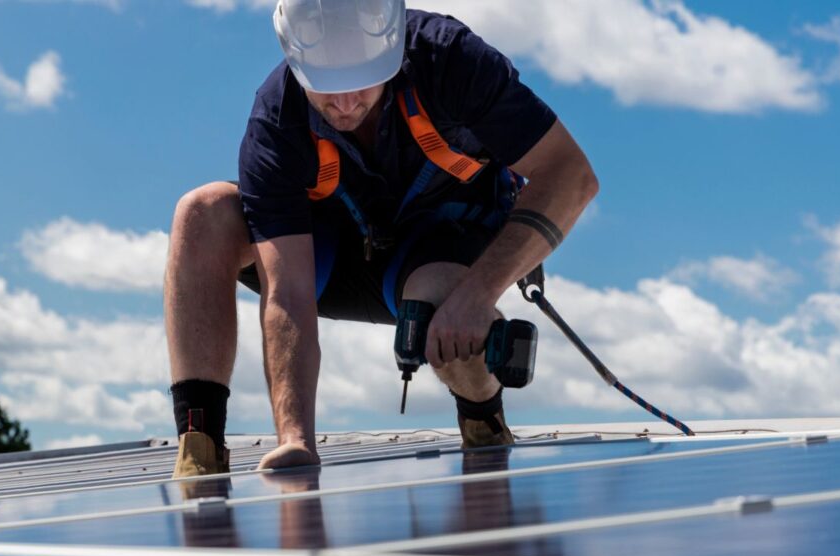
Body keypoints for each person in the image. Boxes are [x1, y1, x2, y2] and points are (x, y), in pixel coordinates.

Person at [167, 0, 599, 477]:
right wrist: (296, 440)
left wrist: (479, 295)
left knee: (437, 300)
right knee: (202, 213)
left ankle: (482, 419)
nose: (346, 103)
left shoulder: (450, 60)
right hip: (329, 259)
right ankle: (199, 445)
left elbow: (571, 175)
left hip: (442, 244)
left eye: (362, 82)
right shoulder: (276, 120)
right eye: (328, 89)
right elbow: (287, 292)